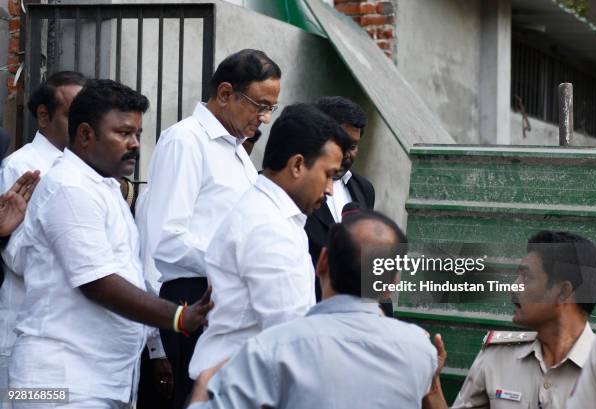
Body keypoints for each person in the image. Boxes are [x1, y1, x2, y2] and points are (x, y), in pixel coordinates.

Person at [6, 79, 212, 408]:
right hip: (60, 383)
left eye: (138, 135)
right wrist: (178, 317)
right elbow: (97, 282)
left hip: (96, 380)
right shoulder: (70, 188)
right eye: (123, 133)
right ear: (86, 134)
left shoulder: (102, 186)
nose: (135, 145)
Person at [136, 48, 281, 409]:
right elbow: (164, 241)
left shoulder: (236, 152)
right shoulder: (186, 141)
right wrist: (156, 341)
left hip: (222, 302)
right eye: (259, 105)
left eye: (270, 109)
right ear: (226, 93)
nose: (263, 117)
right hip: (187, 300)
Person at [186, 210, 438, 409]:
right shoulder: (420, 350)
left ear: (323, 262)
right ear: (390, 286)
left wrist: (203, 385)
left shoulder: (271, 349)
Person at [188, 103, 353, 379]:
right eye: (328, 175)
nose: (329, 190)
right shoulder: (268, 227)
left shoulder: (275, 216)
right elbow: (291, 339)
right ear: (298, 165)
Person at [423, 231, 596, 409]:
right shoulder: (497, 355)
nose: (513, 287)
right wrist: (432, 385)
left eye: (526, 277)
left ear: (563, 292)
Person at [0, 71, 85, 404]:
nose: (83, 124)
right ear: (44, 117)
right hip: (27, 335)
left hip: (73, 341)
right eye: (73, 114)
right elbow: (17, 257)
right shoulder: (22, 168)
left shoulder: (86, 169)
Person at [305, 96, 374, 301]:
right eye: (340, 144)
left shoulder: (364, 189)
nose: (345, 154)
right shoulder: (291, 185)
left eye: (352, 146)